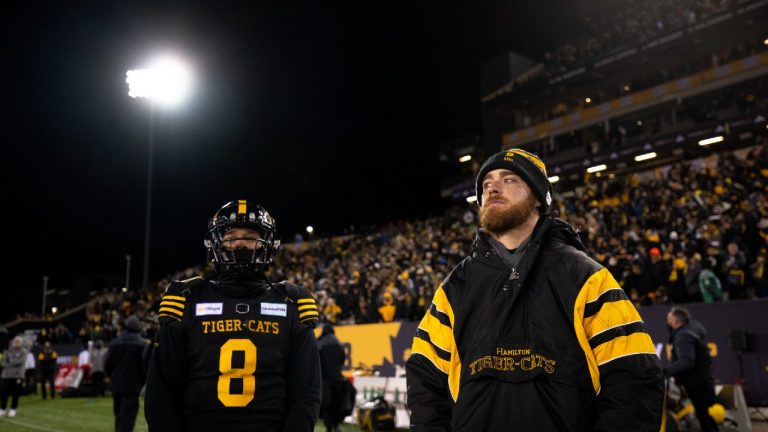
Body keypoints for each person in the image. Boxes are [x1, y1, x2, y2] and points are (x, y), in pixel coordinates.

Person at [406, 149, 664, 431]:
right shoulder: (456, 287)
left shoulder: (586, 277)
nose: (492, 187)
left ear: (539, 198)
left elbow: (634, 380)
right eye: (486, 184)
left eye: (509, 179)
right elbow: (425, 378)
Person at [145, 199, 322, 432]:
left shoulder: (292, 302)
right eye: (230, 237)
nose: (240, 244)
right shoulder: (186, 299)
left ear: (267, 243)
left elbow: (306, 394)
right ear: (216, 244)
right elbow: (162, 392)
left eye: (249, 237)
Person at [664, 307, 718, 432]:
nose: (667, 320)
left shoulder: (683, 336)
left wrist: (665, 371)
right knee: (704, 416)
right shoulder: (692, 328)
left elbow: (687, 361)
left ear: (676, 322)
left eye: (669, 318)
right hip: (703, 380)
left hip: (697, 383)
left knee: (703, 417)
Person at [105, 316, 149, 432]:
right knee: (128, 420)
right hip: (133, 387)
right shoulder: (142, 344)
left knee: (118, 417)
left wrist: (113, 377)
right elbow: (145, 365)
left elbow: (106, 364)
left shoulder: (114, 343)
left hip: (116, 386)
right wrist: (142, 381)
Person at [318, 324, 347, 432]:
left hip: (325, 380)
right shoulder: (339, 344)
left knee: (326, 405)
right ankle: (336, 425)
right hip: (338, 380)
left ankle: (329, 427)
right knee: (336, 404)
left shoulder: (319, 344)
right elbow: (342, 360)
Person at [0, 337, 29, 417]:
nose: (16, 343)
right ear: (12, 342)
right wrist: (13, 362)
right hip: (6, 375)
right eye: (15, 342)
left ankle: (13, 409)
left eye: (18, 342)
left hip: (17, 375)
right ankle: (2, 409)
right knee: (3, 393)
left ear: (21, 343)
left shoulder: (24, 352)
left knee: (15, 393)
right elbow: (3, 363)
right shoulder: (7, 351)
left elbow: (21, 362)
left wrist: (10, 362)